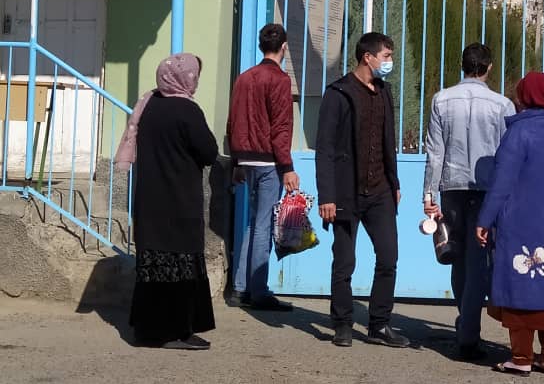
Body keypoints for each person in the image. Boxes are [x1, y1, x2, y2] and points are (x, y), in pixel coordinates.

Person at [476, 72, 544, 376]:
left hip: (520, 224)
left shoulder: (518, 133)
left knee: (520, 289)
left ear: (529, 97)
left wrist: (485, 219)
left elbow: (501, 183)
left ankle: (521, 358)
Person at [115, 53, 219, 350]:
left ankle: (148, 331)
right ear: (186, 78)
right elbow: (209, 152)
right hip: (178, 203)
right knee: (180, 266)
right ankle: (174, 332)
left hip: (150, 202)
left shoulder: (149, 105)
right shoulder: (187, 110)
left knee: (153, 266)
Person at [422, 42, 515, 360]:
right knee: (478, 261)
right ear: (489, 67)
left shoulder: (442, 99)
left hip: (451, 187)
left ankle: (465, 320)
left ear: (462, 65)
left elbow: (435, 151)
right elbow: (507, 154)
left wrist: (428, 194)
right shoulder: (502, 104)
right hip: (486, 189)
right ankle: (468, 335)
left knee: (457, 255)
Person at [315, 32, 408, 349]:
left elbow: (387, 142)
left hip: (380, 191)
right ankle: (342, 324)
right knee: (344, 262)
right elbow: (325, 148)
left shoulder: (384, 92)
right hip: (346, 192)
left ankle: (379, 324)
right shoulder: (339, 93)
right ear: (367, 57)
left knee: (388, 257)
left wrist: (394, 182)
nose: (390, 61)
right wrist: (327, 195)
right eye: (386, 55)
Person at [227, 23, 298, 312]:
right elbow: (281, 127)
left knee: (253, 222)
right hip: (268, 160)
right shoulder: (279, 79)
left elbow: (233, 120)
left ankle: (240, 287)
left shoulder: (244, 78)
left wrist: (236, 160)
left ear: (261, 46)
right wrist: (288, 166)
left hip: (245, 158)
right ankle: (258, 290)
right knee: (263, 225)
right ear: (284, 47)